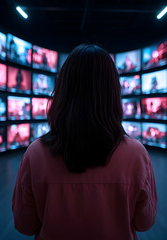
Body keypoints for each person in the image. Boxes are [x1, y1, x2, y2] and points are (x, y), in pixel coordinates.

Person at [12, 44, 157, 240]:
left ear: (63, 90)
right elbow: (144, 222)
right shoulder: (136, 155)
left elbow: (25, 225)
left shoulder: (35, 153)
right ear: (113, 92)